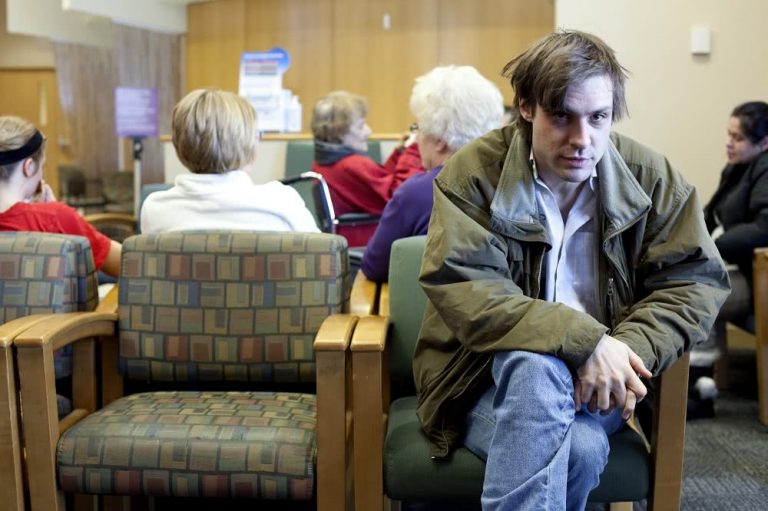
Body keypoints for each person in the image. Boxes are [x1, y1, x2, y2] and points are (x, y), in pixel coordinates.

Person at [413, 30, 730, 510]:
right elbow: (469, 286)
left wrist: (623, 351)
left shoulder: (653, 180)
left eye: (598, 118)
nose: (582, 140)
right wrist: (587, 341)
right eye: (561, 116)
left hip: (602, 387)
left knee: (559, 402)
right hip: (480, 380)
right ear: (525, 108)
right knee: (550, 396)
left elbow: (693, 281)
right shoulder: (475, 174)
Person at [360, 65, 503, 281]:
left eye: (417, 128)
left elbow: (374, 268)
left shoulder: (416, 194)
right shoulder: (513, 187)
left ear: (439, 141)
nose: (416, 138)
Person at [141, 89, 319, 234]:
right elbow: (323, 261)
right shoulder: (282, 201)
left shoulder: (155, 209)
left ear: (177, 144)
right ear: (248, 142)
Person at [692, 101, 768, 413]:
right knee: (685, 275)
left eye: (737, 138)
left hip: (760, 278)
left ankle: (697, 389)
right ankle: (690, 379)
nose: (728, 142)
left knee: (700, 290)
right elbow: (710, 214)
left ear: (763, 143)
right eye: (729, 134)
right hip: (744, 271)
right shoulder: (737, 167)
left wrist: (713, 246)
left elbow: (765, 228)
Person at [0, 115, 121, 277]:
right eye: (42, 166)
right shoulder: (55, 217)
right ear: (28, 167)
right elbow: (124, 264)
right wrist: (53, 216)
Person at [310, 90, 424, 247]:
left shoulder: (325, 162)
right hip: (369, 242)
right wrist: (413, 151)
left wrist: (400, 153)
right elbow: (399, 195)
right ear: (339, 133)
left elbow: (376, 185)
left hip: (349, 239)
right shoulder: (351, 164)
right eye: (361, 126)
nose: (368, 131)